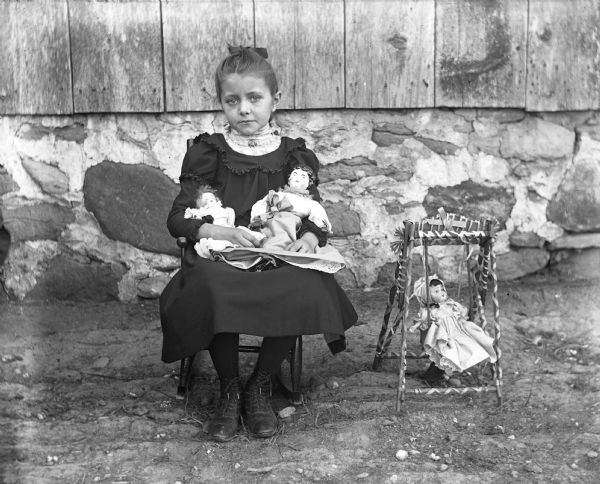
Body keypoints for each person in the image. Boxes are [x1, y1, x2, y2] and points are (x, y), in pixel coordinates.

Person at [159, 45, 358, 442]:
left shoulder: (293, 157)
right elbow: (178, 218)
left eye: (255, 99)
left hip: (275, 253)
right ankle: (230, 388)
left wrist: (307, 238)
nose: (244, 109)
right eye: (233, 101)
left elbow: (312, 212)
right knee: (212, 284)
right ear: (221, 103)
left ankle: (260, 384)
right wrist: (224, 233)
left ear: (274, 100)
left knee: (308, 282)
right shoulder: (208, 153)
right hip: (225, 252)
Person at [409, 275, 497, 380]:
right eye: (436, 291)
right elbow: (422, 323)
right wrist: (417, 325)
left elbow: (460, 313)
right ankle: (432, 378)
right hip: (444, 336)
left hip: (458, 330)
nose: (442, 292)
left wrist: (459, 312)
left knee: (474, 341)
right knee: (447, 353)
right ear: (426, 296)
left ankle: (440, 374)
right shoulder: (429, 312)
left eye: (442, 289)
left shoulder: (448, 304)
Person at [184, 186, 264, 259]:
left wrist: (231, 225)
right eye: (206, 199)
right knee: (220, 244)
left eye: (212, 197)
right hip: (216, 229)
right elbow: (193, 214)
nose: (210, 199)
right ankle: (230, 251)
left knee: (245, 235)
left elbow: (230, 219)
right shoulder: (204, 211)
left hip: (228, 227)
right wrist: (191, 213)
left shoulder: (224, 209)